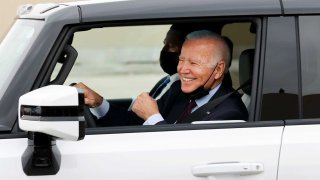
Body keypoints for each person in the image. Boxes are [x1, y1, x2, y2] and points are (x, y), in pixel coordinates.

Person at [75, 30, 248, 126]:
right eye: (181, 60)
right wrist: (98, 102)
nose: (182, 69)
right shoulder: (178, 91)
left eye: (194, 63)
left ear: (218, 70)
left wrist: (153, 117)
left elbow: (183, 157)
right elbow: (134, 123)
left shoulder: (229, 114)